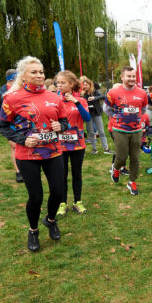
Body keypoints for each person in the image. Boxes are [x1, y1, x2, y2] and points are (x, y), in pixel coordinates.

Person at [0, 56, 68, 252]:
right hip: (28, 155)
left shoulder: (55, 97)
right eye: (34, 72)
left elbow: (65, 123)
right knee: (35, 196)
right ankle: (33, 230)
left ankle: (51, 220)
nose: (39, 75)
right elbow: (2, 126)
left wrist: (60, 126)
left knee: (58, 191)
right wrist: (22, 140)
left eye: (41, 72)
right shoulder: (12, 98)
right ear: (23, 76)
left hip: (53, 152)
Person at [104, 66, 148, 196]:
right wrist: (118, 117)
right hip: (119, 129)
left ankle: (132, 181)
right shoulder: (113, 92)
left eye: (133, 76)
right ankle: (116, 168)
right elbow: (106, 109)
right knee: (122, 156)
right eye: (129, 76)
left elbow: (144, 109)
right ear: (122, 77)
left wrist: (135, 118)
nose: (131, 79)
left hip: (136, 130)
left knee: (135, 158)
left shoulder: (142, 93)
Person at [55, 71, 91, 216]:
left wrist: (76, 102)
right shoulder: (54, 100)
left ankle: (78, 202)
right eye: (58, 83)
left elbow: (87, 118)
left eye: (62, 82)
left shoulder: (81, 101)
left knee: (77, 173)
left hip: (77, 144)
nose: (59, 85)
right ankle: (62, 203)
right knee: (61, 174)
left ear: (71, 84)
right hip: (60, 144)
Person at [0, 69, 23, 182]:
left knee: (24, 145)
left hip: (23, 123)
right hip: (9, 124)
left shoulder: (22, 89)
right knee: (14, 146)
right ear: (11, 78)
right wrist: (4, 124)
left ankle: (27, 168)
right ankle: (18, 172)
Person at [80, 76, 112, 155]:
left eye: (86, 85)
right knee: (90, 132)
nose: (85, 86)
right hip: (88, 115)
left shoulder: (94, 92)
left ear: (90, 85)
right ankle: (94, 149)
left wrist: (94, 98)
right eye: (84, 85)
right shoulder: (83, 94)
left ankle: (106, 148)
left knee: (101, 131)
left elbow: (103, 96)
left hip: (96, 113)